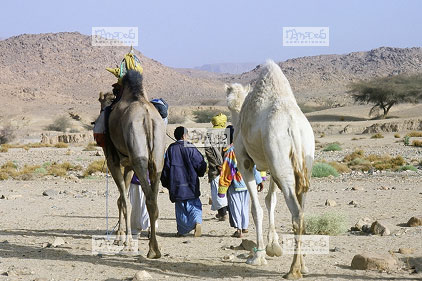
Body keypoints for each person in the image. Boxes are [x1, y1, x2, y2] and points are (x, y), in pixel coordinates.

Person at [160, 126, 207, 237]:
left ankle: (182, 231)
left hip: (176, 184)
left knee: (181, 207)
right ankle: (197, 221)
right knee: (194, 204)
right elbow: (200, 163)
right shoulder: (190, 147)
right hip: (191, 183)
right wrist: (201, 172)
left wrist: (166, 183)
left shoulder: (171, 149)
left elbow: (165, 167)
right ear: (184, 136)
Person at [218, 125, 263, 238]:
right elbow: (253, 166)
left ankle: (239, 230)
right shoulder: (246, 149)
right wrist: (259, 180)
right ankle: (244, 226)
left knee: (235, 206)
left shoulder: (230, 152)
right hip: (247, 182)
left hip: (235, 184)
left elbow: (228, 171)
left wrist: (222, 187)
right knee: (244, 205)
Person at [205, 113, 229, 221]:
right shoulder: (228, 134)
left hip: (215, 170)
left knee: (216, 191)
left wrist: (217, 165)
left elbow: (209, 152)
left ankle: (222, 213)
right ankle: (224, 212)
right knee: (226, 189)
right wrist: (224, 165)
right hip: (228, 168)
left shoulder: (209, 134)